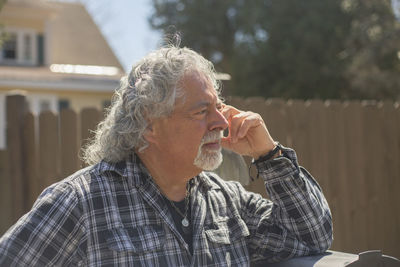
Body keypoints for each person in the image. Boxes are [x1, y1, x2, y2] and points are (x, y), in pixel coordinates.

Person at [0, 45, 333, 266]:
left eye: (218, 107)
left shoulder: (226, 201)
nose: (222, 121)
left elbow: (311, 235)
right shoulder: (80, 203)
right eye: (202, 111)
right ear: (149, 125)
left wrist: (269, 154)